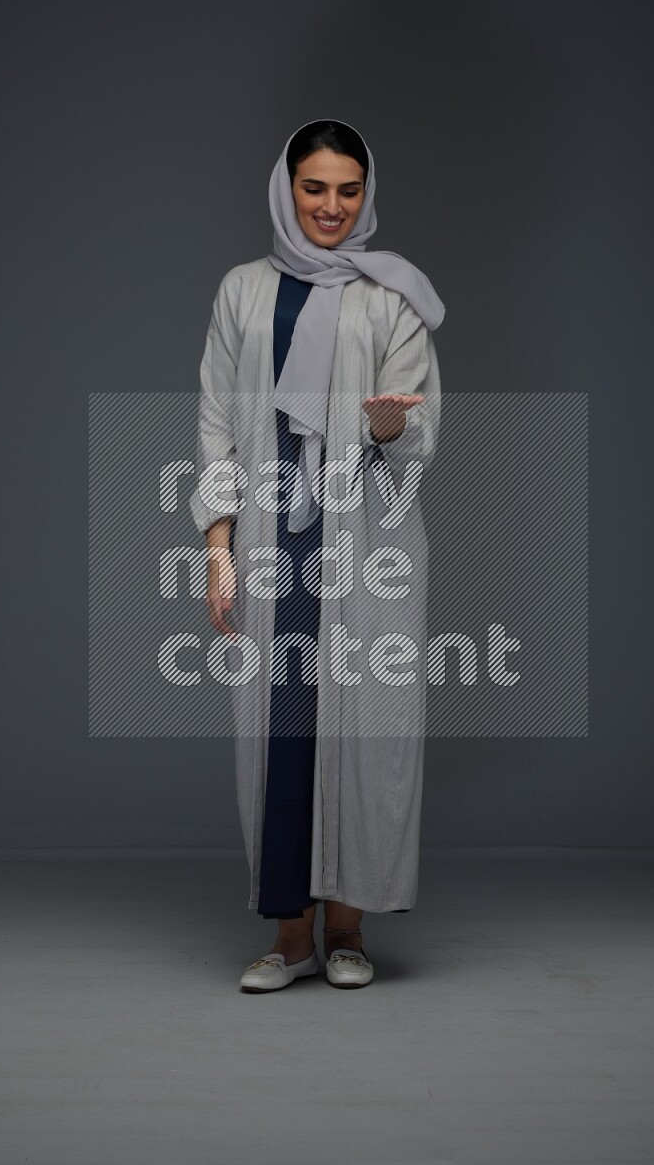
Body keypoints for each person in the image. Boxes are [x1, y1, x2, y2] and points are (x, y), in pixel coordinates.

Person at [189, 118, 444, 991]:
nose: (332, 206)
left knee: (367, 728)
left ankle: (349, 930)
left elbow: (417, 442)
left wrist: (389, 424)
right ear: (285, 188)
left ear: (366, 194)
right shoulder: (243, 292)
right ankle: (289, 935)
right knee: (280, 726)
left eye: (348, 189)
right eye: (314, 187)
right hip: (271, 538)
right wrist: (218, 547)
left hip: (366, 536)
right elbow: (217, 424)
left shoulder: (393, 298)